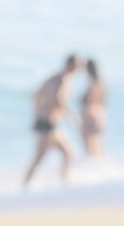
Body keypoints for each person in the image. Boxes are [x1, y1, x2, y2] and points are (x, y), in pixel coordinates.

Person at [23, 54, 83, 187]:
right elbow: (59, 99)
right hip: (48, 124)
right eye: (78, 66)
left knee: (67, 152)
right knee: (41, 157)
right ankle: (25, 185)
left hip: (47, 122)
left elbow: (37, 95)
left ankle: (65, 181)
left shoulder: (54, 77)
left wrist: (39, 111)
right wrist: (72, 117)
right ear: (72, 65)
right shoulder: (64, 79)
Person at [81, 59, 107, 158]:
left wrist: (85, 118)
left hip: (91, 116)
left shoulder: (93, 84)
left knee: (90, 148)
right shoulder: (101, 83)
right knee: (97, 145)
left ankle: (93, 168)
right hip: (100, 114)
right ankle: (97, 167)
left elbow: (90, 103)